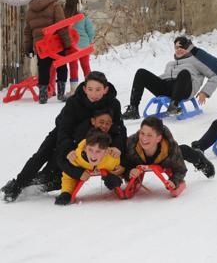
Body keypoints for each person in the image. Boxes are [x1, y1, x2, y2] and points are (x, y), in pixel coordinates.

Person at [1, 71, 126, 202]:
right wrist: (68, 149)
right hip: (64, 134)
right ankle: (17, 185)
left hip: (88, 140)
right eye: (90, 89)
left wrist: (117, 147)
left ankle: (41, 182)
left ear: (105, 90)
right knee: (41, 155)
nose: (94, 94)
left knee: (57, 172)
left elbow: (119, 129)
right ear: (84, 89)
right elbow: (64, 128)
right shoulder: (74, 102)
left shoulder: (113, 104)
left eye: (98, 90)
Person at [122, 36, 217, 119]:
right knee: (141, 73)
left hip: (184, 89)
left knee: (184, 73)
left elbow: (215, 75)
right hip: (167, 89)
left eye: (182, 47)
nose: (179, 49)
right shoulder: (170, 64)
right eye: (176, 47)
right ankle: (133, 109)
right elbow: (165, 77)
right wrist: (152, 80)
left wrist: (205, 92)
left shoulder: (196, 61)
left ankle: (174, 105)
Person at [24, 0, 70, 104]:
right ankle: (61, 94)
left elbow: (28, 31)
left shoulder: (30, 9)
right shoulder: (55, 5)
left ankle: (43, 96)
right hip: (55, 43)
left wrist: (28, 47)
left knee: (43, 68)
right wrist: (67, 43)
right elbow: (62, 26)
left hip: (41, 45)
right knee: (61, 66)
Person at [55, 128, 123, 205]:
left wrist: (115, 177)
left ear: (106, 151)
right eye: (90, 150)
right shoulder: (77, 157)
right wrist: (66, 192)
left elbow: (119, 169)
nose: (93, 155)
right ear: (85, 148)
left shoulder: (112, 158)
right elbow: (69, 176)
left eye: (98, 151)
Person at [64, 0, 95, 96]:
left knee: (73, 67)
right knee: (85, 66)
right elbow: (90, 31)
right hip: (84, 46)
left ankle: (74, 90)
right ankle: (91, 88)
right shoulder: (84, 17)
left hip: (71, 46)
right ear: (78, 5)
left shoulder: (64, 18)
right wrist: (90, 41)